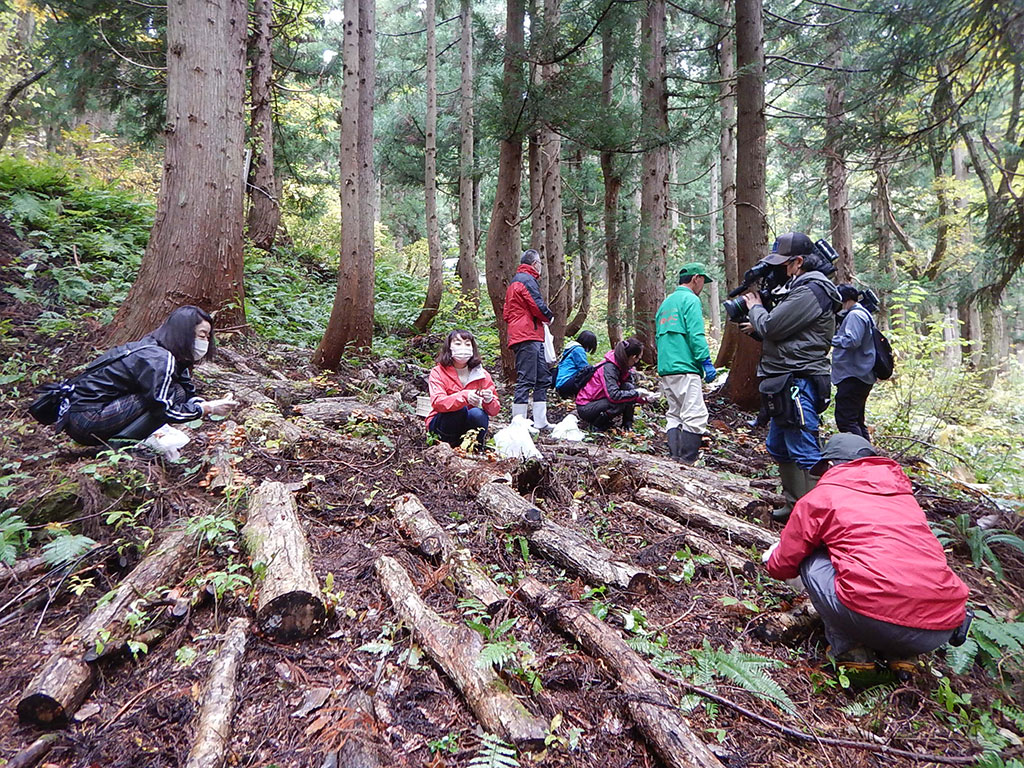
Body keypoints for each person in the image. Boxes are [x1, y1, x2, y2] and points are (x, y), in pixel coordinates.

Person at [763, 434, 971, 675]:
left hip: (872, 616)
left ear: (831, 465)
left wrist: (770, 557)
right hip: (939, 628)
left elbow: (783, 564)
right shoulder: (905, 499)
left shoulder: (822, 498)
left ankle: (850, 650)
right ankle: (903, 654)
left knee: (809, 556)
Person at [740, 232, 841, 522]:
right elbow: (785, 331)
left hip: (800, 378)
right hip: (786, 377)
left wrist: (756, 307)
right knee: (779, 445)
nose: (782, 269)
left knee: (805, 448)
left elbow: (773, 326)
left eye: (785, 263)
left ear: (798, 262)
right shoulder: (801, 287)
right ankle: (795, 504)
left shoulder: (813, 289)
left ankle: (820, 518)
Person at [61, 305, 237, 447]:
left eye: (207, 337)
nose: (205, 342)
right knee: (171, 395)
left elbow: (187, 393)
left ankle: (122, 441)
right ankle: (120, 446)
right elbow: (164, 409)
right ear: (185, 333)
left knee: (177, 392)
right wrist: (207, 409)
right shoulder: (159, 358)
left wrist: (207, 404)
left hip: (80, 415)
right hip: (85, 419)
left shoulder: (169, 353)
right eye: (201, 335)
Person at [655, 262, 717, 463]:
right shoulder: (690, 300)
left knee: (675, 413)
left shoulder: (667, 303)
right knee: (695, 414)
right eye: (702, 281)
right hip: (686, 367)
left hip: (667, 367)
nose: (702, 286)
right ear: (695, 278)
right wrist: (705, 361)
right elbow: (695, 334)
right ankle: (688, 461)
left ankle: (674, 457)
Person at [503, 249, 555, 430]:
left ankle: (540, 421)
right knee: (526, 378)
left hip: (531, 335)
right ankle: (519, 423)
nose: (541, 266)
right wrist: (549, 317)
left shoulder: (519, 281)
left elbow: (507, 312)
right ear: (534, 264)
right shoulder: (525, 280)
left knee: (542, 377)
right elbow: (537, 305)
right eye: (539, 262)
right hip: (526, 335)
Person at [426, 329, 501, 449]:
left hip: (468, 427)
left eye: (467, 344)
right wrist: (464, 396)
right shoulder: (438, 372)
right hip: (443, 425)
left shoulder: (481, 374)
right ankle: (447, 446)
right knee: (458, 409)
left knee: (478, 413)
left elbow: (494, 411)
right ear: (449, 347)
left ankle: (472, 446)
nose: (463, 348)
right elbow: (438, 402)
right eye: (457, 343)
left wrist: (489, 400)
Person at [575, 337, 656, 431]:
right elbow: (613, 395)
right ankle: (597, 426)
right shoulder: (609, 368)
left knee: (628, 387)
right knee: (619, 403)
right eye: (638, 358)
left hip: (600, 401)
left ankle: (627, 424)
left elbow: (629, 392)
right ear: (633, 356)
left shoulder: (624, 367)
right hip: (586, 406)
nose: (637, 362)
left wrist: (645, 399)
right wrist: (637, 393)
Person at [832, 284, 876, 439]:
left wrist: (829, 339)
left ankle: (856, 458)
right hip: (860, 374)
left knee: (846, 421)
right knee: (856, 419)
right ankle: (866, 457)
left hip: (854, 375)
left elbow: (852, 341)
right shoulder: (862, 313)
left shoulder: (855, 315)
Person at [554, 330, 598, 398]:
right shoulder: (578, 350)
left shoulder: (571, 348)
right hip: (565, 384)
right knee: (588, 372)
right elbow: (584, 368)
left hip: (560, 383)